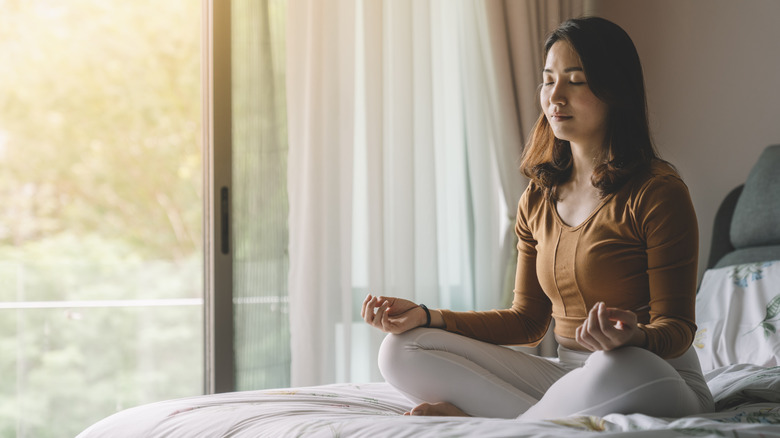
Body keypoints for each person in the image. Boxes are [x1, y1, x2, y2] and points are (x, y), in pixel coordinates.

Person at [361, 16, 715, 420]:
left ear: (615, 90)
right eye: (548, 80)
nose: (555, 97)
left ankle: (497, 421)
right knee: (401, 348)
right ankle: (538, 419)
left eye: (576, 80)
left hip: (652, 372)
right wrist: (426, 316)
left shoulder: (658, 192)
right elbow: (528, 321)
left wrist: (635, 336)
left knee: (617, 363)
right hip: (567, 378)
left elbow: (678, 329)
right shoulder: (538, 197)